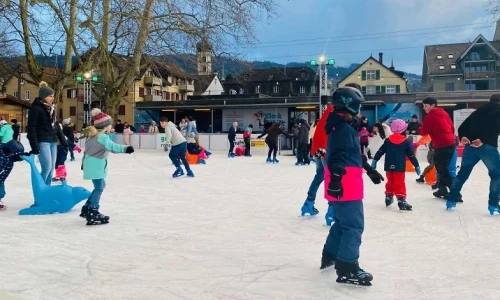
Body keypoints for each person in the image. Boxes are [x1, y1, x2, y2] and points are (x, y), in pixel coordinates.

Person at [320, 86, 380, 286]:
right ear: (348, 105)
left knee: (342, 223)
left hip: (347, 179)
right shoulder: (342, 128)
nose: (360, 109)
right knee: (353, 226)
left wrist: (369, 169)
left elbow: (354, 153)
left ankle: (330, 255)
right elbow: (338, 154)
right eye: (357, 105)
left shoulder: (344, 126)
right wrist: (336, 179)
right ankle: (347, 268)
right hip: (345, 182)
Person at [446, 94, 500, 212]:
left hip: (470, 147)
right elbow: (496, 127)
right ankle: (493, 204)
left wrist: (463, 137)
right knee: (497, 175)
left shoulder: (478, 110)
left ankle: (451, 200)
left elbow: (463, 126)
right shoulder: (498, 111)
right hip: (487, 147)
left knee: (462, 174)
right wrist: (483, 140)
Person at [80, 109, 134, 225]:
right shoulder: (102, 137)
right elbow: (112, 147)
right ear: (105, 126)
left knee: (100, 185)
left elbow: (86, 152)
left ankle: (87, 208)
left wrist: (83, 164)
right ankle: (93, 211)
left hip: (91, 165)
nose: (111, 127)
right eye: (110, 125)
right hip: (96, 166)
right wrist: (126, 148)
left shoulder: (92, 136)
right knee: (99, 187)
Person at [371, 119, 420, 210]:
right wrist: (416, 165)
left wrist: (375, 161)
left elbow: (380, 151)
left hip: (388, 166)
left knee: (390, 181)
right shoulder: (405, 142)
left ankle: (388, 196)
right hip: (399, 167)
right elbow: (411, 155)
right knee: (399, 183)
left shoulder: (388, 140)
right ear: (404, 130)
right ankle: (401, 200)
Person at [27, 81, 68, 185]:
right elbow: (31, 128)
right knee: (47, 168)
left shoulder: (52, 109)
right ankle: (40, 191)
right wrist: (34, 145)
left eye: (53, 96)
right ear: (43, 96)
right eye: (50, 96)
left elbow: (56, 126)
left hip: (52, 141)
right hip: (42, 142)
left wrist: (63, 141)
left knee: (51, 169)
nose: (52, 98)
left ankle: (47, 190)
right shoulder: (36, 109)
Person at [419, 97, 456, 199]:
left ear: (433, 106)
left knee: (442, 170)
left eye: (426, 106)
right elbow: (452, 128)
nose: (424, 108)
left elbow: (424, 131)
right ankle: (442, 190)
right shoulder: (444, 113)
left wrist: (419, 129)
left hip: (441, 145)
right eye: (423, 106)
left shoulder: (430, 116)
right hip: (451, 144)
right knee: (442, 169)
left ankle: (455, 192)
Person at [0, 140, 27, 210]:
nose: (11, 155)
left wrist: (24, 155)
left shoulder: (10, 161)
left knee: (1, 193)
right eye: (11, 153)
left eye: (14, 154)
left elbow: (4, 175)